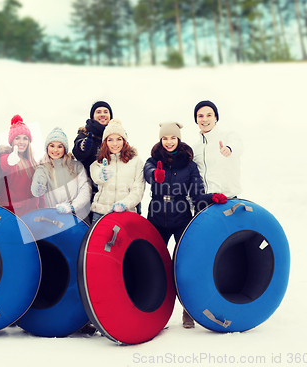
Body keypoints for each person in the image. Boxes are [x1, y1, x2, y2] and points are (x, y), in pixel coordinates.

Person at [143, 122, 228, 329]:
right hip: (156, 220)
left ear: (178, 139)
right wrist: (155, 176)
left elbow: (197, 194)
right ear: (160, 140)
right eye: (165, 138)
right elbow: (147, 172)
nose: (169, 142)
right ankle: (154, 310)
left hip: (181, 219)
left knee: (185, 267)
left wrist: (211, 198)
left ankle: (187, 310)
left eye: (172, 138)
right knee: (152, 265)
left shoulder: (189, 165)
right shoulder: (152, 160)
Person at [31, 127, 92, 222]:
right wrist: (37, 187)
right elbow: (38, 181)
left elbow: (86, 190)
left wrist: (72, 207)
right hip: (55, 219)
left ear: (64, 149)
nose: (55, 150)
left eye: (60, 146)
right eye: (52, 146)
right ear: (47, 147)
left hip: (79, 218)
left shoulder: (76, 166)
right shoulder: (42, 168)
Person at [89, 119, 145, 222]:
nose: (114, 144)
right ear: (105, 142)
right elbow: (96, 177)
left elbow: (138, 190)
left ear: (124, 140)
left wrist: (124, 204)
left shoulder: (136, 162)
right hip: (100, 215)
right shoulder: (98, 163)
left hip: (126, 214)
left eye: (119, 139)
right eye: (110, 139)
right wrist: (101, 175)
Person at [191, 100, 244, 198]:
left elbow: (238, 146)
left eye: (209, 115)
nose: (205, 119)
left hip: (229, 200)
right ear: (196, 120)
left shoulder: (228, 136)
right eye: (200, 116)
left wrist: (229, 149)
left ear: (216, 118)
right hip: (206, 203)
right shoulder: (195, 149)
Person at [0, 114, 42, 216]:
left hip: (31, 214)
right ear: (12, 141)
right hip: (11, 213)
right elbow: (3, 165)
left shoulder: (33, 164)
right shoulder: (7, 157)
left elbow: (40, 194)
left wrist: (41, 210)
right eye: (17, 138)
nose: (21, 142)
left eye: (25, 138)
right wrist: (9, 160)